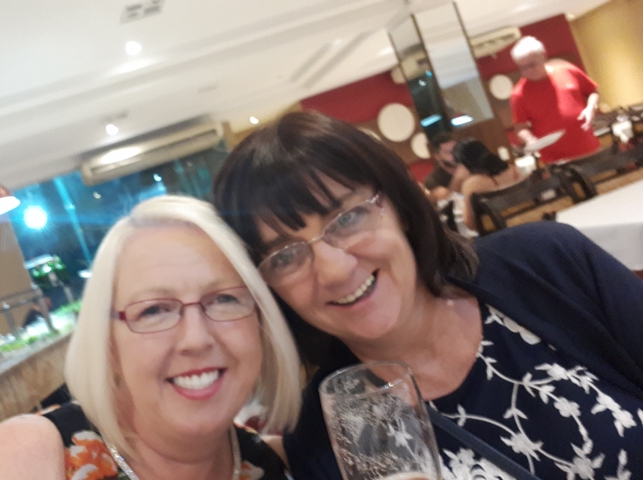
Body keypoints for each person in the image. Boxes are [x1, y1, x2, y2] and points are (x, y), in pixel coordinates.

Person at [213, 111, 643, 480]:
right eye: (286, 255)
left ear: (397, 205)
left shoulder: (546, 264)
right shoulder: (328, 433)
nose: (335, 269)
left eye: (347, 218)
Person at [0, 195, 302, 480]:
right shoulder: (35, 456)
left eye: (224, 299)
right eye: (154, 310)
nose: (196, 339)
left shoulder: (278, 464)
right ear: (109, 344)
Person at [510, 36, 602, 163]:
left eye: (532, 65)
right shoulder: (518, 94)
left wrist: (591, 108)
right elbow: (520, 127)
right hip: (556, 159)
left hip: (590, 146)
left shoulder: (567, 70)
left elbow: (592, 91)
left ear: (543, 56)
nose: (528, 71)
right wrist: (530, 140)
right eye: (522, 67)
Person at [453, 138, 523, 231]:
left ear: (465, 163)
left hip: (503, 234)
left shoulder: (471, 184)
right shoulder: (514, 170)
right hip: (530, 222)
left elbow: (469, 223)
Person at [423, 132, 469, 204]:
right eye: (449, 152)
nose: (455, 154)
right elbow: (447, 203)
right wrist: (458, 179)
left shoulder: (469, 165)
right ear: (437, 157)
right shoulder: (432, 180)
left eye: (456, 149)